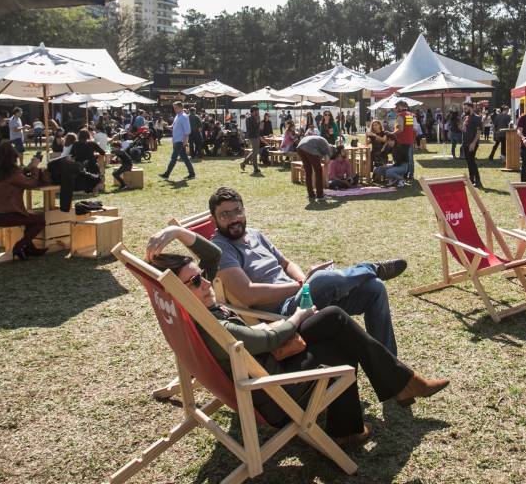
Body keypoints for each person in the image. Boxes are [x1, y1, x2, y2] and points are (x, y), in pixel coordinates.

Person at [146, 226, 447, 446]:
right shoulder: (213, 325)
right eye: (196, 281)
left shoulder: (193, 306)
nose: (206, 283)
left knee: (334, 318)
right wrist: (298, 317)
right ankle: (384, 398)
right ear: (179, 292)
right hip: (272, 388)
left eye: (201, 276)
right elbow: (265, 341)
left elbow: (212, 256)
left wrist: (176, 232)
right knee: (338, 341)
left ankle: (388, 396)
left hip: (265, 363)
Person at [208, 187, 407, 354]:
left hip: (298, 297)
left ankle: (390, 363)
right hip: (281, 314)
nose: (234, 218)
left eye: (238, 211)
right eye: (225, 215)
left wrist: (304, 280)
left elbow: (286, 264)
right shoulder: (220, 249)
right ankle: (371, 267)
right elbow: (248, 294)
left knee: (375, 288)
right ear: (213, 219)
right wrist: (301, 286)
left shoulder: (254, 234)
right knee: (321, 278)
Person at [0, 141, 47, 259]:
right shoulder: (12, 173)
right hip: (3, 215)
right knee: (39, 220)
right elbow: (31, 183)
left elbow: (15, 178)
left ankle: (29, 248)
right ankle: (19, 246)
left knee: (28, 218)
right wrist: (35, 168)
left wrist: (27, 168)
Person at [161, 101, 196, 181]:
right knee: (185, 158)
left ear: (180, 107)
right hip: (177, 140)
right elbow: (173, 127)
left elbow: (187, 130)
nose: (174, 109)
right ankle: (192, 174)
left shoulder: (184, 116)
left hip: (180, 140)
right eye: (174, 107)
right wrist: (166, 126)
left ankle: (166, 174)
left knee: (173, 158)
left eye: (175, 107)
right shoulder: (177, 116)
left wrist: (185, 140)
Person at [296, 131, 333, 202]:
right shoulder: (327, 148)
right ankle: (320, 195)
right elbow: (327, 161)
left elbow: (317, 157)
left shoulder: (321, 143)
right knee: (318, 171)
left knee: (308, 172)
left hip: (300, 147)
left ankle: (311, 195)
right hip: (309, 148)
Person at [392, 101, 416, 184]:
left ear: (400, 107)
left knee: (401, 160)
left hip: (401, 141)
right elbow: (412, 129)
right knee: (408, 159)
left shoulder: (400, 115)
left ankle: (402, 175)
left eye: (396, 107)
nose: (395, 109)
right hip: (409, 140)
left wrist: (391, 134)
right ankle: (410, 174)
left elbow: (400, 129)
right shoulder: (409, 115)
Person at [461, 101, 483, 188]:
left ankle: (478, 181)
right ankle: (471, 180)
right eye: (464, 108)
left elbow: (478, 132)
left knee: (472, 161)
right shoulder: (465, 117)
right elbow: (464, 129)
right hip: (465, 143)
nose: (464, 110)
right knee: (469, 162)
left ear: (471, 108)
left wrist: (473, 143)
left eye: (466, 108)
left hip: (472, 144)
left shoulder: (477, 118)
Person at [240, 106, 264, 174]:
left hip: (256, 136)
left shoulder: (254, 118)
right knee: (255, 152)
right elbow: (255, 127)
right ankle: (255, 169)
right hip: (253, 137)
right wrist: (258, 121)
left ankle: (244, 163)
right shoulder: (250, 119)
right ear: (254, 111)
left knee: (255, 152)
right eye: (257, 111)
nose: (258, 112)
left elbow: (258, 128)